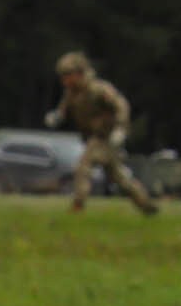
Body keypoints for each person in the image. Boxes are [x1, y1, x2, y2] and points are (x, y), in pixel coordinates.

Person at [49, 49, 159, 216]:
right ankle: (146, 205)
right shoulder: (72, 93)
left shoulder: (98, 89)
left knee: (83, 167)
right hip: (94, 138)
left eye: (67, 75)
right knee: (120, 179)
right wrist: (57, 116)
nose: (65, 80)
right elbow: (64, 108)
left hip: (105, 138)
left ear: (79, 74)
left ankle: (78, 205)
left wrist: (121, 129)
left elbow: (121, 106)